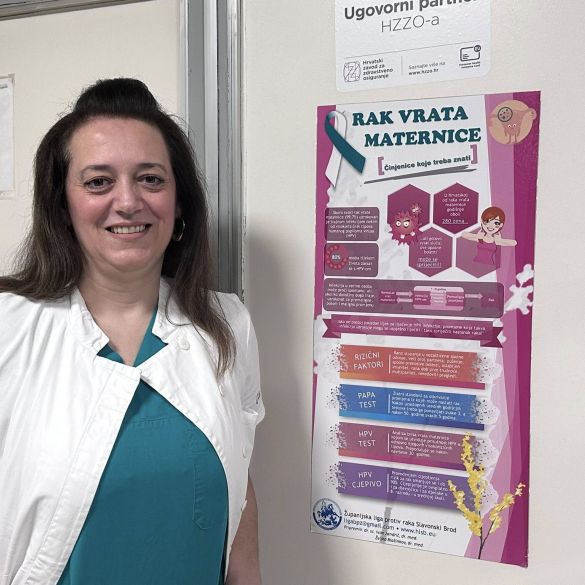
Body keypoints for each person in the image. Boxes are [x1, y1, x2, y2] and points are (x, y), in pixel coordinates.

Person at [0, 78, 264, 585]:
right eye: (99, 182)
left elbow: (241, 480)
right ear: (63, 205)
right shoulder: (10, 325)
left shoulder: (227, 325)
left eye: (151, 179)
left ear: (180, 202)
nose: (127, 201)